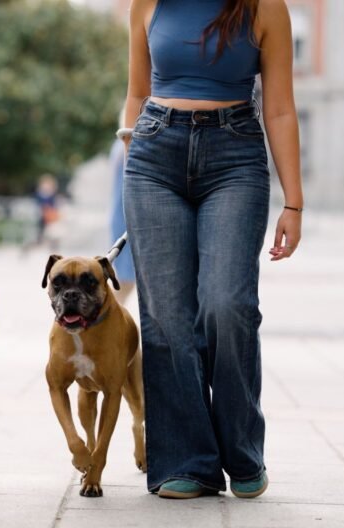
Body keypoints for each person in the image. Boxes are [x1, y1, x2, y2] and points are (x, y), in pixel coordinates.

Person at [122, 0, 303, 499]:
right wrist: (131, 153)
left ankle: (242, 453)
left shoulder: (265, 7)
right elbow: (137, 93)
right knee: (165, 316)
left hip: (235, 154)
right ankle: (188, 461)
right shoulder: (148, 3)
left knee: (227, 305)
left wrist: (295, 203)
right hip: (153, 154)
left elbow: (281, 108)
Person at [108, 133, 136, 302]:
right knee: (125, 282)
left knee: (125, 282)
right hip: (127, 219)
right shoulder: (124, 147)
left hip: (122, 217)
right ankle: (103, 324)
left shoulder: (118, 147)